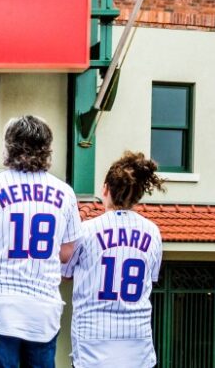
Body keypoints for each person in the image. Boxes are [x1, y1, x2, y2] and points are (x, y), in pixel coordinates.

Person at [0, 115, 83, 368]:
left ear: (8, 146)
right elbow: (67, 252)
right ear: (47, 148)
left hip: (0, 306)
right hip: (43, 308)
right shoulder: (65, 193)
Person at [62, 152, 165, 368]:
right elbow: (150, 278)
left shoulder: (86, 230)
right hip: (138, 344)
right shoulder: (152, 232)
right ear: (138, 195)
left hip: (93, 343)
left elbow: (66, 272)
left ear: (105, 189)